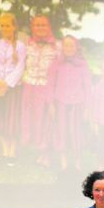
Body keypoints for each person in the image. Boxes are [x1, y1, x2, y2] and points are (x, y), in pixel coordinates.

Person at [0, 12, 26, 164]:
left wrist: (7, 84)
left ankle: (12, 152)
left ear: (14, 27)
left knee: (11, 119)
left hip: (12, 88)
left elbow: (20, 67)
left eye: (7, 25)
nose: (4, 28)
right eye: (2, 25)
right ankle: (4, 150)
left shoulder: (21, 46)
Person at [47, 35, 92, 171]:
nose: (68, 48)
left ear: (76, 47)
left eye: (71, 45)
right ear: (62, 47)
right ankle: (64, 161)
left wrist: (87, 108)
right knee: (63, 132)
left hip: (77, 104)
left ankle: (77, 161)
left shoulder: (83, 64)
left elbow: (88, 87)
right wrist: (51, 104)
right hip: (60, 103)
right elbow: (50, 85)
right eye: (65, 45)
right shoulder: (56, 63)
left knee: (76, 132)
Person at [21, 15, 61, 166]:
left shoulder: (57, 46)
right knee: (32, 120)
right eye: (37, 25)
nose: (40, 28)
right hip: (29, 86)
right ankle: (37, 149)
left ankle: (46, 153)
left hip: (47, 88)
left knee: (46, 121)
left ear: (49, 26)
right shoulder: (27, 45)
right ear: (33, 27)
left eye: (43, 25)